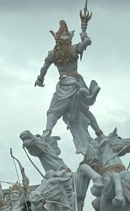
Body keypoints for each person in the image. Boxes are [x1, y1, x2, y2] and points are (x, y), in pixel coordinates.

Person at [35, 19, 104, 154]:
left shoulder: (52, 54)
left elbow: (44, 69)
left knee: (53, 111)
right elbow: (88, 42)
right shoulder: (74, 49)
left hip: (64, 85)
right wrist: (84, 32)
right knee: (85, 111)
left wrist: (40, 79)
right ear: (69, 39)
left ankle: (47, 131)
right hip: (77, 83)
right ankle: (100, 134)